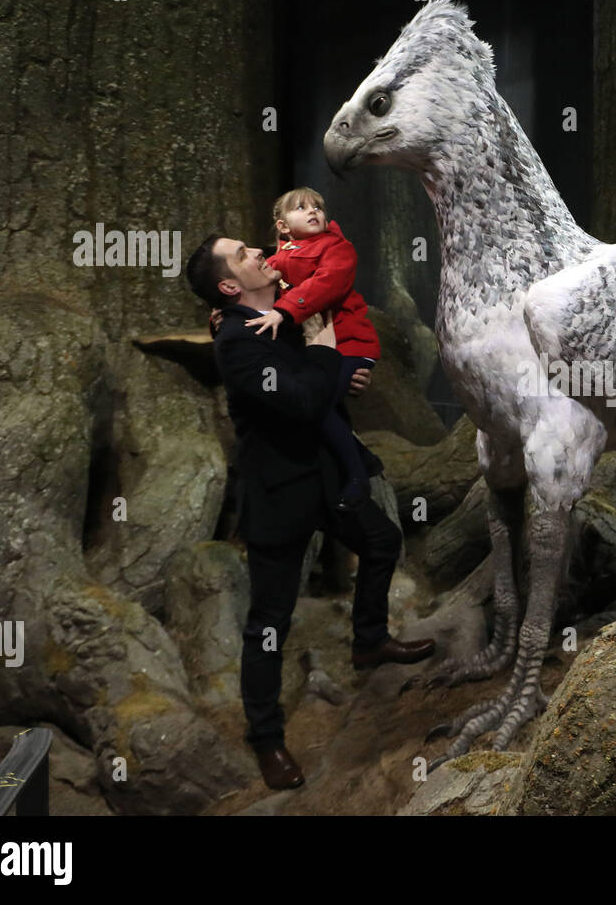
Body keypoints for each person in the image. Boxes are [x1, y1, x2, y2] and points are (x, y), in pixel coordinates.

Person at [186, 232, 435, 790]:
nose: (257, 251)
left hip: (325, 474)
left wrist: (348, 373)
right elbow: (297, 399)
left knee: (381, 541)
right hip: (279, 490)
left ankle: (369, 641)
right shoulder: (234, 341)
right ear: (229, 285)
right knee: (270, 623)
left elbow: (318, 386)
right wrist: (325, 353)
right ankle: (267, 739)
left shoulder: (283, 312)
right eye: (244, 254)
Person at [245, 187, 379, 508]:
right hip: (319, 349)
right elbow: (254, 289)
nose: (313, 211)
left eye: (318, 206)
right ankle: (359, 461)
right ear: (283, 226)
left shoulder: (337, 248)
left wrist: (285, 310)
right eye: (302, 207)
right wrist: (223, 313)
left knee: (316, 407)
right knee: (315, 409)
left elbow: (327, 283)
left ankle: (358, 474)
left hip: (350, 345)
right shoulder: (278, 257)